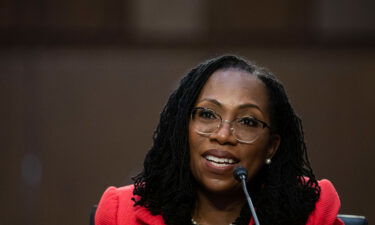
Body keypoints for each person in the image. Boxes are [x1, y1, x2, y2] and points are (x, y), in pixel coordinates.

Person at [95, 55, 343, 225]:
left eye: (247, 121)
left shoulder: (312, 214)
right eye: (206, 114)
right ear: (183, 129)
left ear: (271, 146)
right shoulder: (121, 213)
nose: (223, 136)